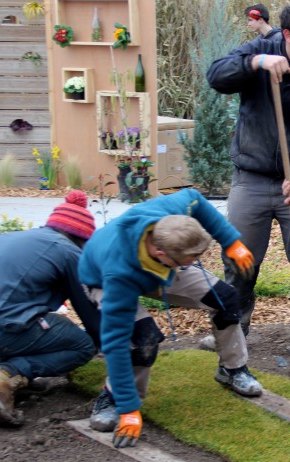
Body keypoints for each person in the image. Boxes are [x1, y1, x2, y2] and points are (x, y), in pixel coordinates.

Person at [206, 0, 290, 362]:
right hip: (251, 178)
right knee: (240, 261)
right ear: (288, 35)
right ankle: (232, 333)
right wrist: (256, 63)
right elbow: (216, 76)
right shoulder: (260, 50)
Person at [78, 188, 261, 449]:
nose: (199, 261)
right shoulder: (119, 276)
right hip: (104, 279)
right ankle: (114, 398)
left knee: (226, 299)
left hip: (160, 267)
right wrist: (130, 409)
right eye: (194, 258)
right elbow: (114, 343)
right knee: (142, 339)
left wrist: (231, 241)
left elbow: (195, 199)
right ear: (163, 254)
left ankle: (232, 369)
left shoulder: (167, 217)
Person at [0, 191, 100, 428]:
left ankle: (16, 379)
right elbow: (88, 307)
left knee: (29, 318)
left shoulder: (7, 237)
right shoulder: (68, 252)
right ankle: (5, 376)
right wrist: (104, 342)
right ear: (82, 238)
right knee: (81, 345)